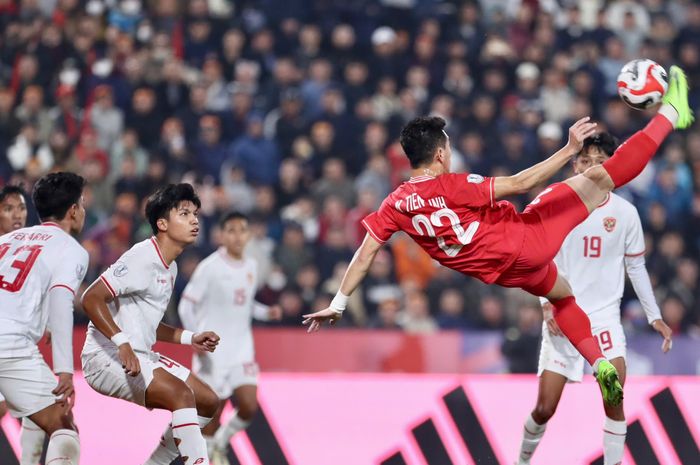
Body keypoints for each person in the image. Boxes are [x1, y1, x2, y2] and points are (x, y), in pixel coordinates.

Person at [303, 66, 693, 409]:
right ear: (440, 154)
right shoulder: (453, 185)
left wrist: (338, 302)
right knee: (601, 178)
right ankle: (672, 112)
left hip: (504, 273)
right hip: (526, 240)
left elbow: (366, 251)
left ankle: (600, 364)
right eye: (449, 148)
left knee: (562, 296)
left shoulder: (394, 203)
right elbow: (523, 182)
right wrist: (569, 150)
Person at [515, 133, 674, 465]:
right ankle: (521, 461)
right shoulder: (556, 201)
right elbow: (539, 255)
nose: (592, 167)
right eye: (586, 161)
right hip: (562, 315)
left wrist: (654, 315)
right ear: (575, 164)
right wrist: (545, 305)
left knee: (614, 397)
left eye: (601, 162)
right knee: (545, 409)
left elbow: (637, 266)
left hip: (603, 319)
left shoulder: (626, 213)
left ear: (612, 168)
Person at [80, 183, 221, 465]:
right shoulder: (142, 257)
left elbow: (148, 324)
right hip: (104, 356)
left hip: (139, 353)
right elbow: (91, 297)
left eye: (195, 213)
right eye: (184, 214)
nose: (194, 220)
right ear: (162, 223)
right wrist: (122, 344)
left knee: (207, 400)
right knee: (182, 395)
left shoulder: (171, 266)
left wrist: (189, 337)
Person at [178, 211, 283, 465]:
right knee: (212, 417)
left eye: (242, 230)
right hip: (214, 353)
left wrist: (265, 312)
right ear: (222, 235)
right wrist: (195, 338)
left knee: (249, 406)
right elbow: (185, 306)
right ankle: (209, 455)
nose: (238, 236)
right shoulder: (209, 268)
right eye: (232, 230)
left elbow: (245, 305)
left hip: (242, 350)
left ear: (248, 235)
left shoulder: (251, 266)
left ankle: (222, 443)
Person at [0, 172, 90, 465]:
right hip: (10, 346)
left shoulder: (8, 239)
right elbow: (62, 301)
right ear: (73, 210)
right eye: (83, 204)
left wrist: (45, 321)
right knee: (63, 426)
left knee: (28, 412)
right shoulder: (71, 249)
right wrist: (64, 369)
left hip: (11, 342)